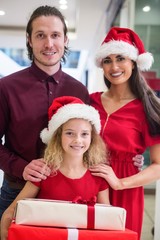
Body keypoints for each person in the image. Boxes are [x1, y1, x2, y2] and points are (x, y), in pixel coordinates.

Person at [0, 5, 90, 223]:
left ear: (66, 40)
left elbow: (88, 140)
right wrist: (21, 167)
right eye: (40, 35)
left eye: (55, 35)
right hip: (17, 190)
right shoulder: (6, 88)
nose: (49, 44)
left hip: (67, 194)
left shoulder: (79, 90)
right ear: (29, 40)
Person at [0, 96, 110, 240]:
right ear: (58, 137)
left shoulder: (98, 176)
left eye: (84, 134)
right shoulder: (44, 172)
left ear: (92, 138)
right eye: (69, 133)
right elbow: (10, 213)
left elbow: (107, 221)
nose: (78, 140)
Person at [89, 26, 160, 240]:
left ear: (133, 62)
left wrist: (120, 183)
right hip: (88, 185)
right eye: (107, 60)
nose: (114, 66)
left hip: (125, 191)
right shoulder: (90, 101)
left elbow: (158, 165)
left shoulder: (148, 107)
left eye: (121, 58)